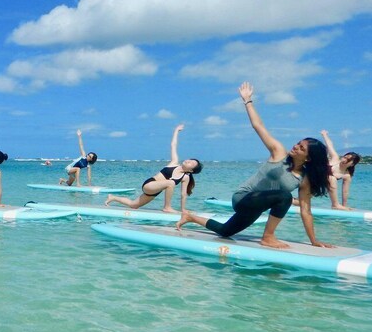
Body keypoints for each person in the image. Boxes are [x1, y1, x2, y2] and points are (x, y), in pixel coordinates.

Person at [177, 82, 333, 249]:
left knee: (225, 231)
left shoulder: (304, 179)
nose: (295, 146)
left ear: (308, 158)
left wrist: (313, 241)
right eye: (298, 143)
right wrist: (247, 101)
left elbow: (306, 210)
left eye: (301, 148)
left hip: (257, 206)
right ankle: (268, 237)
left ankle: (190, 217)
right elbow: (259, 126)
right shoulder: (279, 152)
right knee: (285, 196)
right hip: (243, 198)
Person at [106, 124, 202, 212]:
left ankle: (112, 197)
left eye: (192, 163)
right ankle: (167, 207)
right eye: (190, 159)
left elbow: (183, 194)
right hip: (149, 185)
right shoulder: (174, 162)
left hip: (155, 191)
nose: (189, 161)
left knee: (133, 205)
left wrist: (183, 209)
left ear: (191, 170)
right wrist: (176, 130)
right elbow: (173, 145)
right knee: (171, 182)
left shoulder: (186, 177)